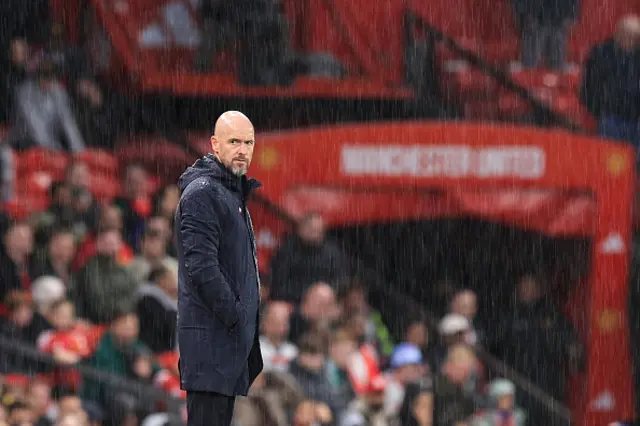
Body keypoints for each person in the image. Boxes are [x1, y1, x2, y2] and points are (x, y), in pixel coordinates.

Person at [176, 111, 263, 426]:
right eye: (234, 141)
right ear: (215, 144)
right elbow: (202, 269)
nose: (243, 149)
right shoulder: (203, 193)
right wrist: (237, 318)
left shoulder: (229, 193)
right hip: (210, 345)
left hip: (223, 346)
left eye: (249, 142)